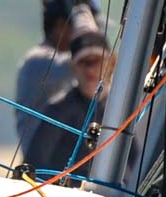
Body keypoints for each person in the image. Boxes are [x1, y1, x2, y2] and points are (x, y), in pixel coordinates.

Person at [14, 0, 102, 148]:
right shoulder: (36, 62)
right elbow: (90, 57)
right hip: (44, 162)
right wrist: (82, 12)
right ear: (61, 26)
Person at [22, 27, 113, 177]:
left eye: (96, 60)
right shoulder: (57, 110)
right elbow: (33, 164)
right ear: (73, 67)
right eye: (83, 61)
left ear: (111, 63)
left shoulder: (120, 111)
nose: (90, 68)